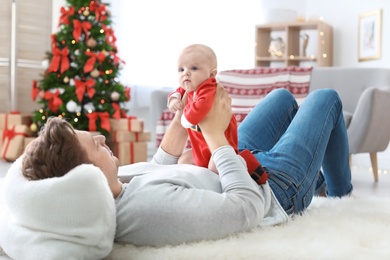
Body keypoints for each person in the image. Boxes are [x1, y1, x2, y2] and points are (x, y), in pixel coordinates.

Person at [0, 83, 353, 252]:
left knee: (281, 98)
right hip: (271, 189)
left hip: (230, 162)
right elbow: (244, 208)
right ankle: (338, 193)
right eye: (94, 144)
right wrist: (215, 135)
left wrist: (181, 118)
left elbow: (159, 166)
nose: (102, 138)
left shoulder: (115, 184)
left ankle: (317, 176)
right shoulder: (143, 212)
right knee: (326, 98)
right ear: (83, 179)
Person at [167, 44, 266, 183]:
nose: (186, 73)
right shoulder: (188, 88)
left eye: (193, 68)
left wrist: (185, 118)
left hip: (219, 144)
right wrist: (173, 100)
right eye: (181, 69)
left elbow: (201, 107)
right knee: (183, 160)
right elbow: (176, 93)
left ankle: (241, 163)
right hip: (201, 146)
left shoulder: (208, 88)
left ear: (212, 74)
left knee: (215, 167)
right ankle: (200, 180)